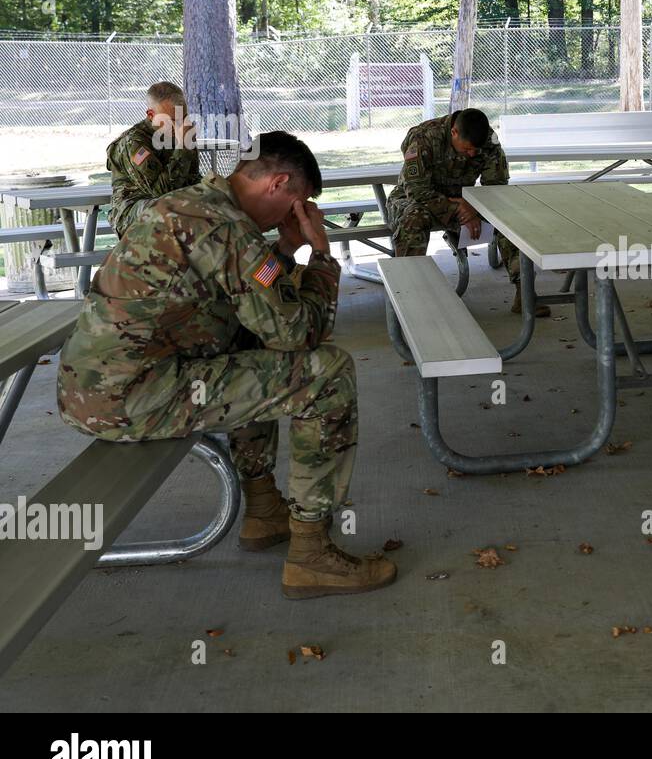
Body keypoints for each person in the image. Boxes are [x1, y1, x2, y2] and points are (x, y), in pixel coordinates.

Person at [58, 131, 396, 599]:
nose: (296, 215)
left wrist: (283, 250)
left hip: (101, 387)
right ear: (278, 184)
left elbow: (258, 300)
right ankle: (312, 555)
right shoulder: (227, 228)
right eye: (299, 204)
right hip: (131, 396)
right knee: (326, 374)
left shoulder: (197, 204)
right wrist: (320, 255)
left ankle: (263, 510)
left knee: (249, 343)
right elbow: (299, 333)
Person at [386, 108, 548, 315]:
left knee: (508, 218)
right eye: (468, 149)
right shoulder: (424, 137)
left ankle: (525, 295)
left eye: (475, 150)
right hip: (415, 199)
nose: (472, 154)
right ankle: (407, 298)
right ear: (454, 132)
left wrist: (472, 206)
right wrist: (458, 207)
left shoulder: (488, 140)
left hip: (466, 200)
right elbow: (416, 190)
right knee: (414, 219)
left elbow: (496, 187)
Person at [105, 81, 201, 236]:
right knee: (167, 207)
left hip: (173, 204)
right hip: (132, 210)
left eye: (182, 117)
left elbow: (193, 178)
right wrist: (184, 147)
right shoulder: (134, 143)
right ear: (151, 115)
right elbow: (161, 192)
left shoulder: (180, 132)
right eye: (172, 119)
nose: (179, 124)